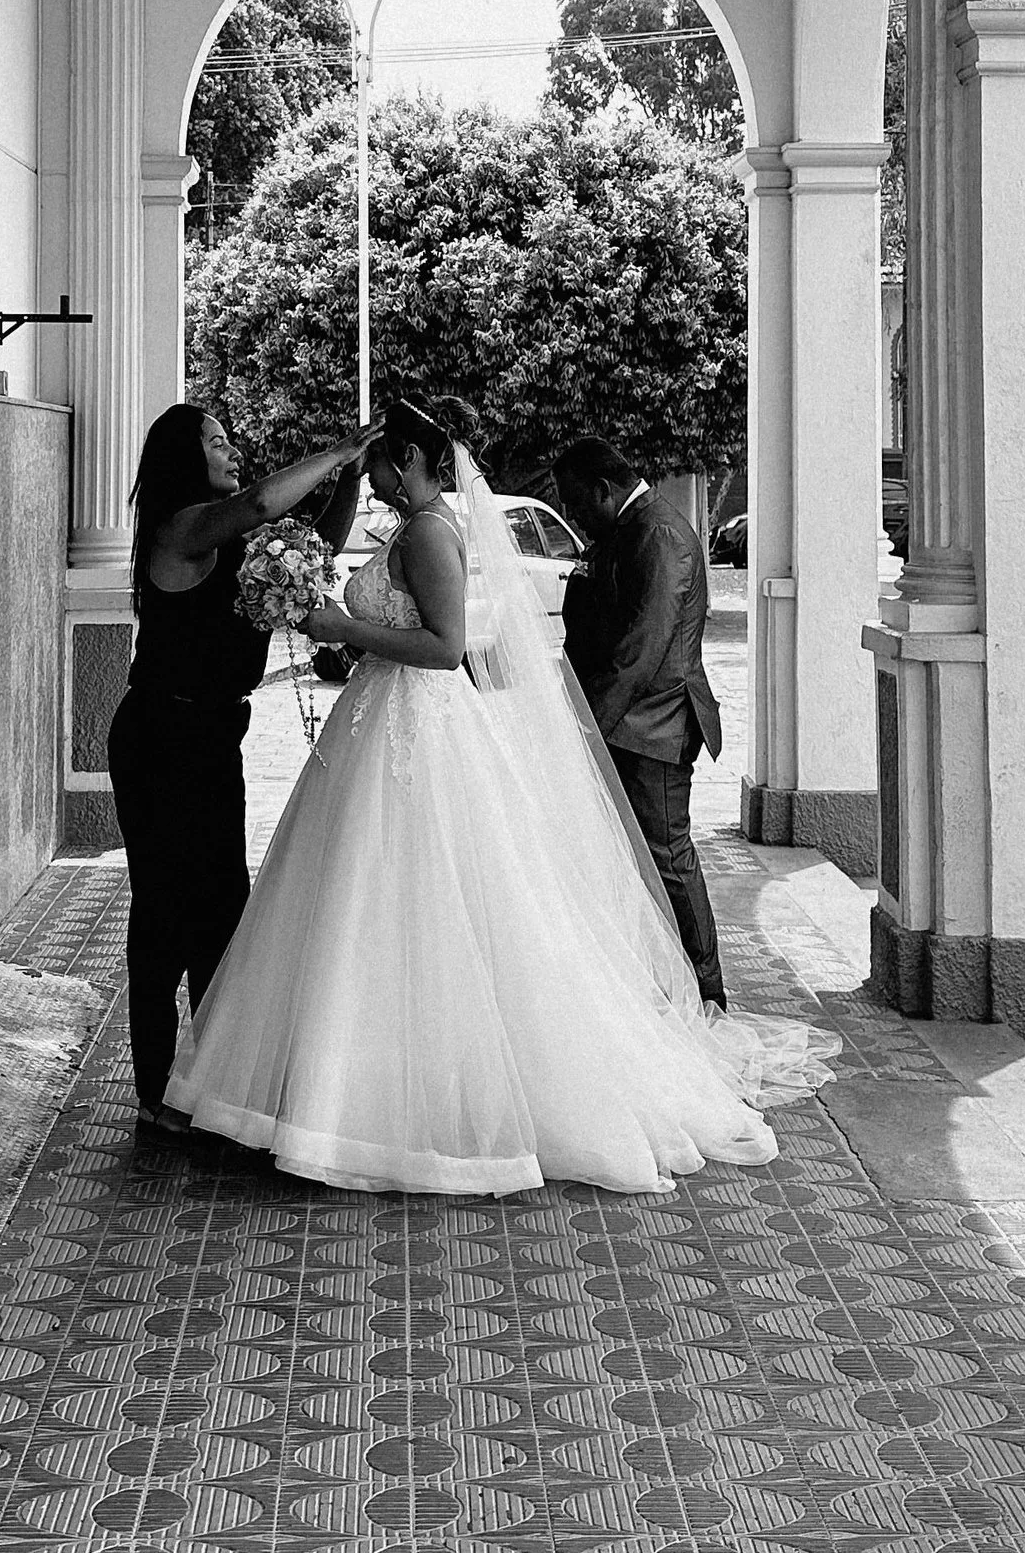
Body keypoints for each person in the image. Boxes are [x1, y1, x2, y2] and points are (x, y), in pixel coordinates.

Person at [166, 389, 835, 1192]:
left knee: (421, 903)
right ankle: (352, 1086)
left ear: (408, 461)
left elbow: (446, 648)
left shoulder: (428, 532)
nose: (372, 473)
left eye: (378, 460)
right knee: (365, 904)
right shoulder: (415, 526)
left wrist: (345, 629)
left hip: (416, 727)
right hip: (386, 722)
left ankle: (394, 1103)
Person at [110, 401, 380, 1129]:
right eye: (218, 440)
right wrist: (337, 446)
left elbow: (314, 543)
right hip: (161, 734)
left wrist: (347, 479)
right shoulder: (182, 526)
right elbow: (260, 499)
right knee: (166, 908)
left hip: (211, 733)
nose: (234, 449)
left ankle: (217, 1076)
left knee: (222, 906)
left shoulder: (236, 539)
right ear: (182, 456)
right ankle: (155, 1085)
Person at [552, 434, 728, 1008]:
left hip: (653, 726)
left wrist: (584, 729)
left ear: (604, 489)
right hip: (631, 723)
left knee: (668, 857)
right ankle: (661, 979)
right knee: (640, 856)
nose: (576, 519)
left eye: (578, 505)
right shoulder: (632, 530)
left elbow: (639, 650)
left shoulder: (657, 534)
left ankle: (707, 994)